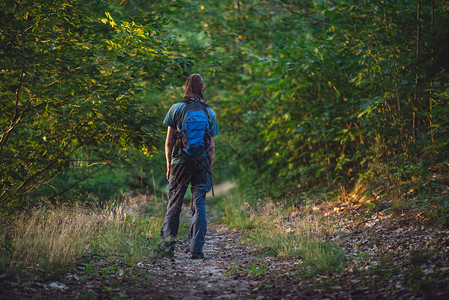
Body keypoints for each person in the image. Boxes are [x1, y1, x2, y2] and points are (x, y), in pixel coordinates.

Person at [159, 74, 219, 259]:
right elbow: (211, 146)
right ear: (202, 89)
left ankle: (168, 249)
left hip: (179, 164)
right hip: (201, 163)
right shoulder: (210, 113)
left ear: (186, 87)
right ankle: (196, 250)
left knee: (174, 204)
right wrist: (208, 166)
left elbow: (169, 143)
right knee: (199, 205)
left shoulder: (176, 109)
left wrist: (169, 165)